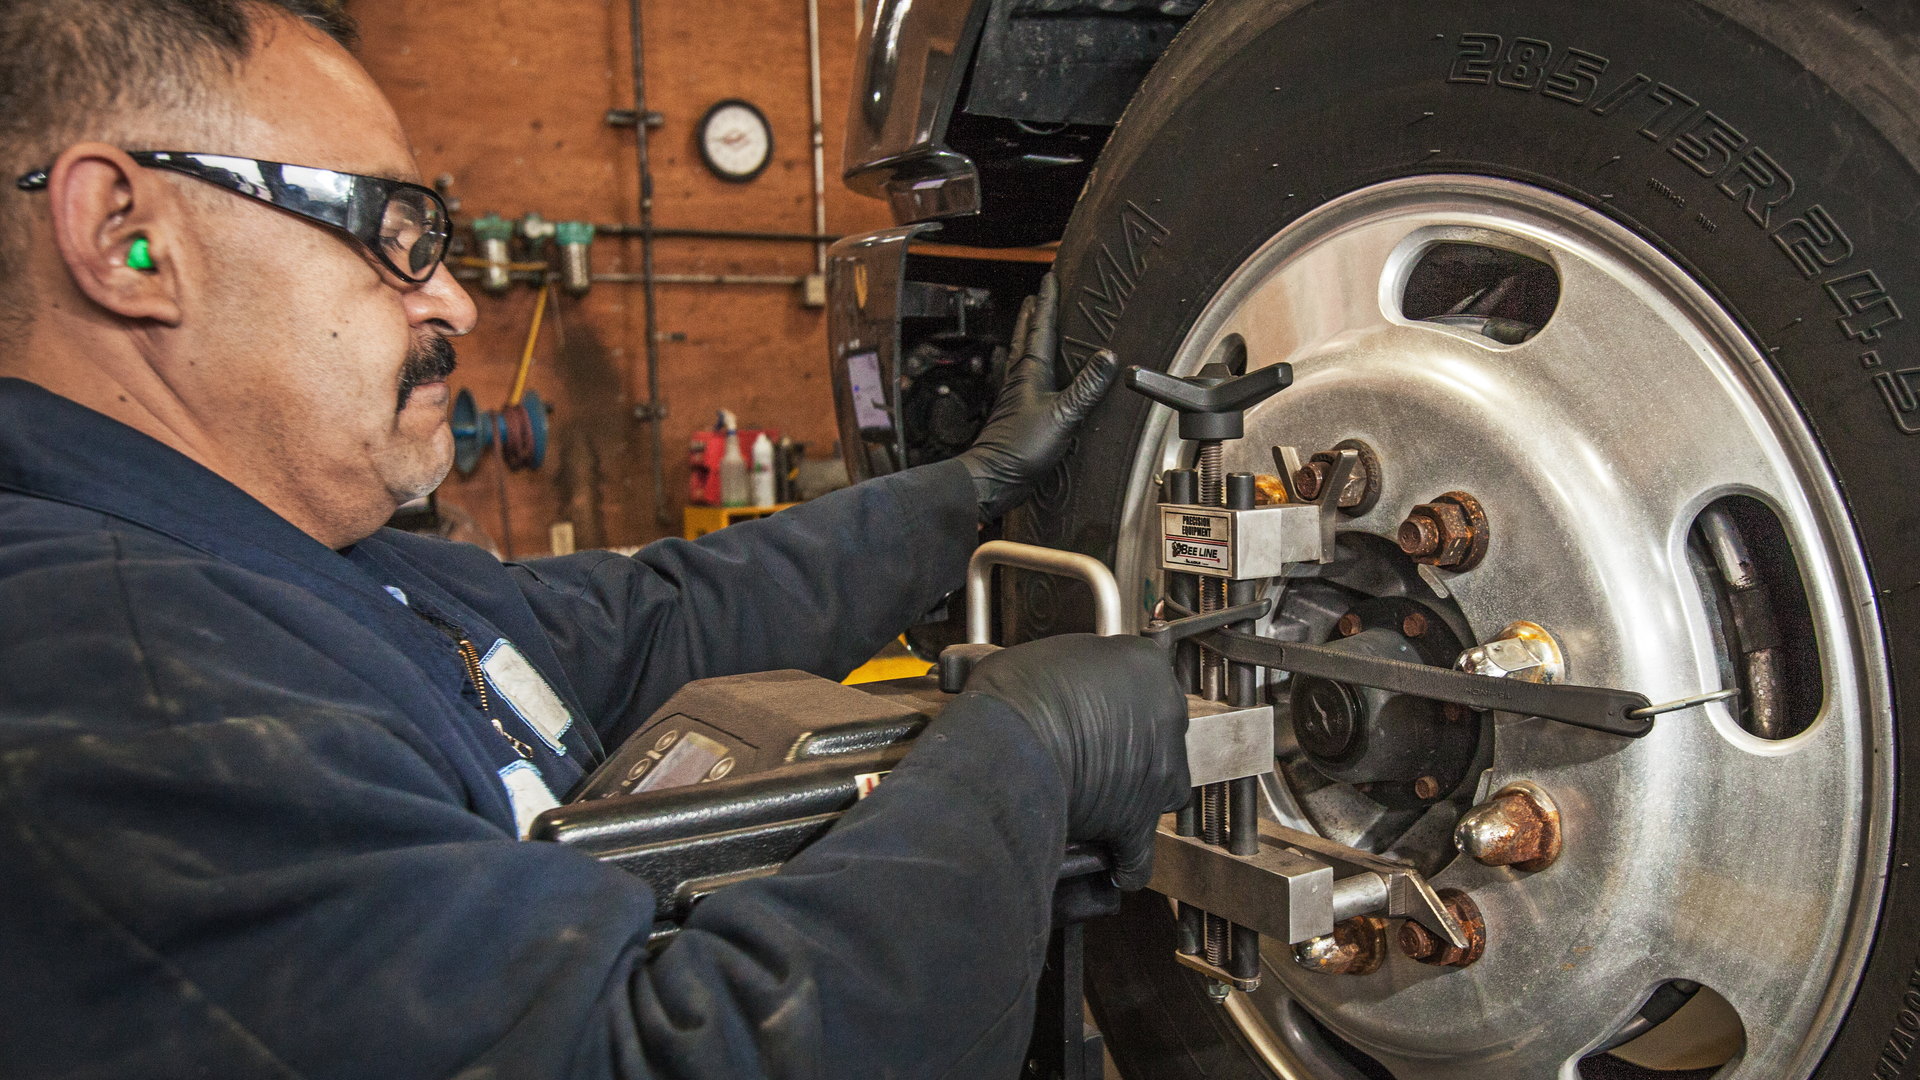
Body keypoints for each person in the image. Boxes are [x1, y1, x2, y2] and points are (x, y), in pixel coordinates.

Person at [0, 2, 1192, 1077]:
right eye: (394, 230)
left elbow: (654, 617)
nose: (452, 300)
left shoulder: (304, 570)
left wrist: (965, 489)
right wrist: (1024, 758)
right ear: (128, 235)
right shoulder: (112, 681)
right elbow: (665, 1053)